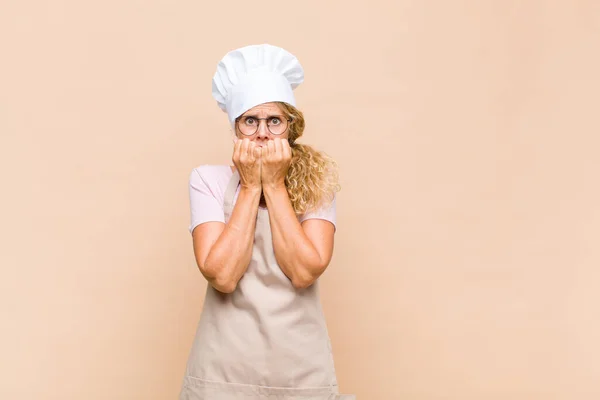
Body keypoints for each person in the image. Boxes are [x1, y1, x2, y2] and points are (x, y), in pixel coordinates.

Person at [179, 44, 355, 400]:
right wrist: (250, 184)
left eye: (273, 121)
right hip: (222, 373)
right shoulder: (206, 180)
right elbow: (223, 276)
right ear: (236, 128)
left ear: (289, 129)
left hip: (301, 371)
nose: (261, 133)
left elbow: (304, 271)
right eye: (250, 121)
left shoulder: (316, 186)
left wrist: (273, 185)